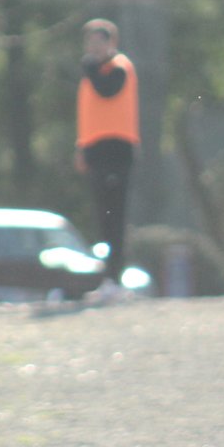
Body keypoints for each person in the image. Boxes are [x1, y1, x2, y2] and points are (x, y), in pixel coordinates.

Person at [73, 18, 139, 293]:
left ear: (112, 43)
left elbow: (107, 90)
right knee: (102, 216)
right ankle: (108, 278)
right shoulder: (92, 73)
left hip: (116, 149)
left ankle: (116, 277)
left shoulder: (119, 68)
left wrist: (90, 69)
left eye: (99, 41)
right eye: (90, 42)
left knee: (115, 216)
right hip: (95, 150)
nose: (94, 47)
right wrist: (81, 148)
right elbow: (89, 115)